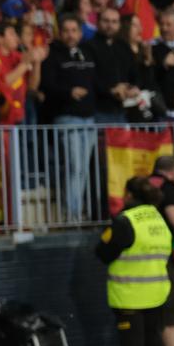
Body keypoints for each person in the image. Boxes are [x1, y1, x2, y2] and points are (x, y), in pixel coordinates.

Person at [96, 177, 174, 346]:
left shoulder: (125, 221)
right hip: (157, 291)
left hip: (130, 294)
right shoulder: (158, 218)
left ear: (129, 195)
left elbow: (103, 252)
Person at [41, 14, 97, 222]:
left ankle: (77, 209)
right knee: (74, 165)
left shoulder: (87, 53)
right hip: (66, 118)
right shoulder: (52, 55)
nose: (71, 35)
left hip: (89, 119)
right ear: (59, 33)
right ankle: (71, 214)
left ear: (81, 33)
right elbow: (46, 85)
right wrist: (69, 92)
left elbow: (96, 82)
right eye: (66, 30)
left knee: (82, 168)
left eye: (74, 30)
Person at [149, 155, 174, 346]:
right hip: (166, 257)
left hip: (142, 263)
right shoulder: (168, 188)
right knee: (170, 317)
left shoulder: (143, 185)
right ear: (173, 171)